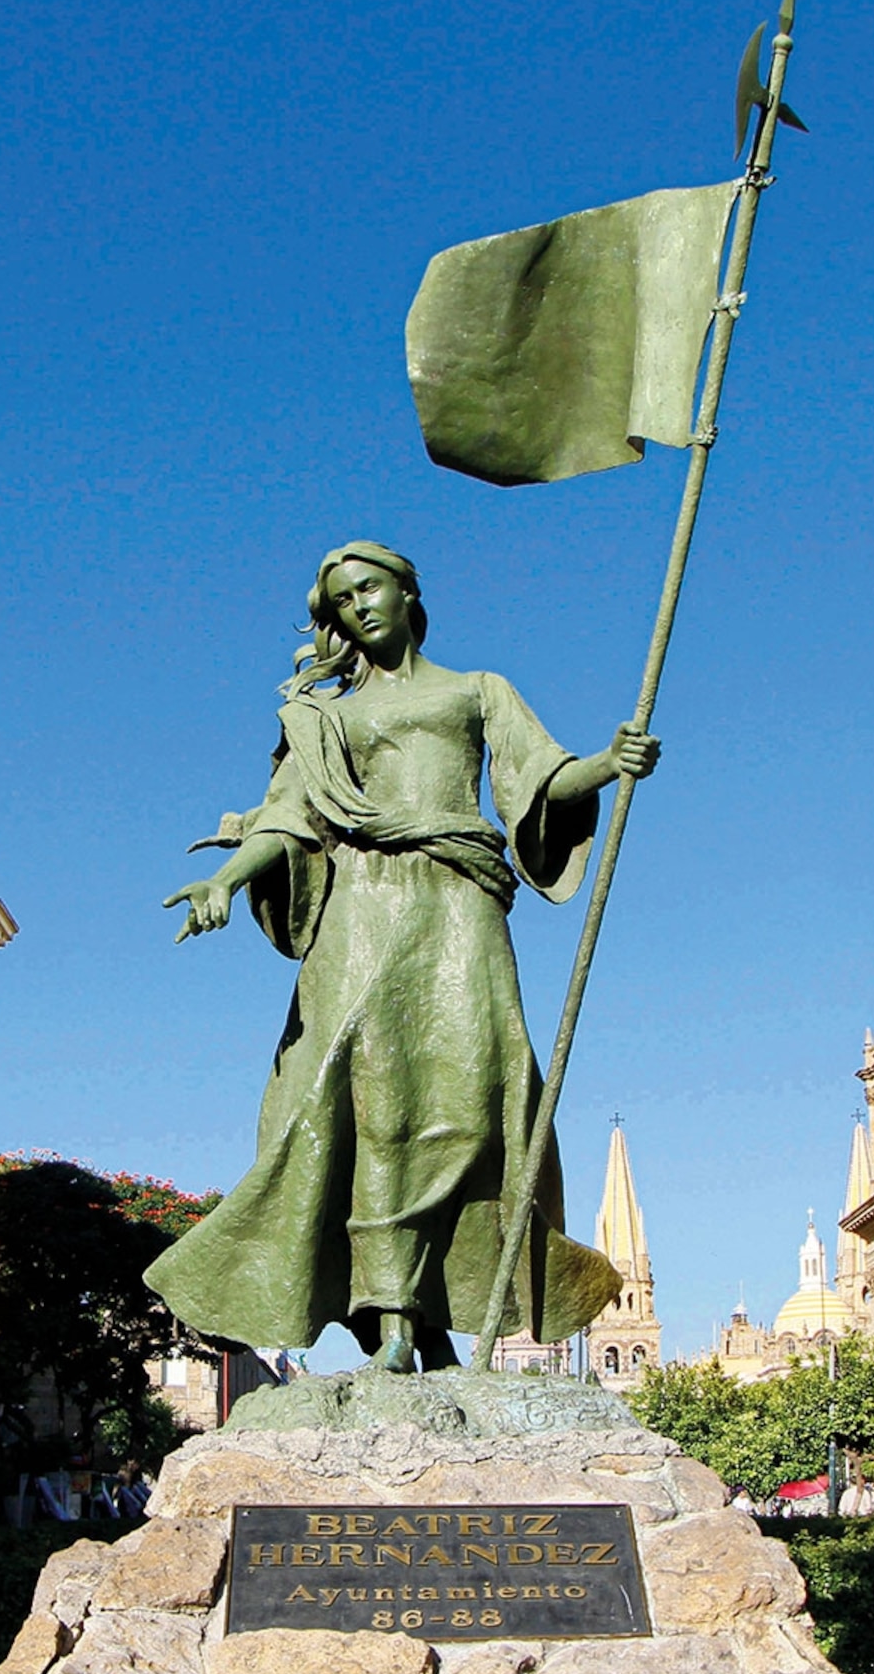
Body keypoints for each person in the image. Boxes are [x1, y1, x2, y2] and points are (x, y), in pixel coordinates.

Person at [152, 544, 653, 1371]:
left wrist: (609, 763)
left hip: (459, 904)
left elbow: (538, 780)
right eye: (342, 601)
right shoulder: (326, 719)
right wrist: (225, 880)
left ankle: (432, 1321)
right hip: (360, 913)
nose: (359, 608)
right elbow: (287, 818)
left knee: (474, 1101)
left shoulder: (477, 690)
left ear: (408, 590)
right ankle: (390, 1325)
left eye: (370, 588)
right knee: (369, 1106)